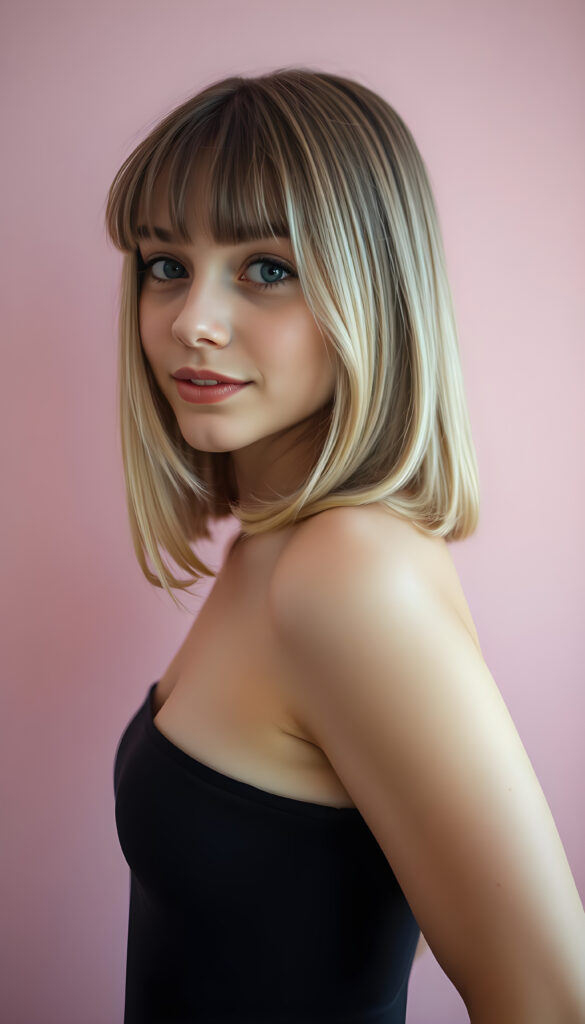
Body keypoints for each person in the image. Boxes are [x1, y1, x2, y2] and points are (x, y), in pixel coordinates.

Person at [106, 69, 585, 1023]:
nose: (190, 321)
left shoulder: (347, 574)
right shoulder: (272, 543)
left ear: (374, 288)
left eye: (266, 267)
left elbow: (547, 1000)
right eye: (166, 264)